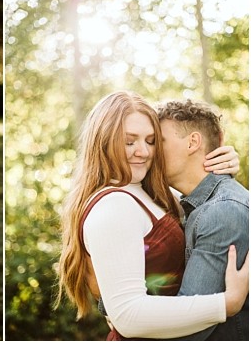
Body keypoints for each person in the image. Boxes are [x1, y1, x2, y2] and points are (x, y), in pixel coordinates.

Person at [56, 90, 249, 340]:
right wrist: (227, 303)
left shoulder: (145, 191)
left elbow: (206, 201)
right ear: (103, 140)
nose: (145, 152)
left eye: (151, 141)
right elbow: (127, 316)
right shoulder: (113, 205)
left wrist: (221, 167)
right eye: (129, 141)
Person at [157, 99, 249, 340]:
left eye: (159, 141)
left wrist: (120, 309)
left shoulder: (222, 212)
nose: (150, 151)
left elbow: (190, 331)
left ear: (193, 142)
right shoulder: (195, 207)